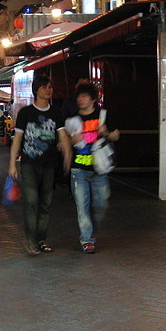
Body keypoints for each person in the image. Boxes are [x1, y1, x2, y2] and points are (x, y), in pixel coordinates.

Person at [8, 75, 71, 256]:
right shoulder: (26, 113)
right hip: (28, 164)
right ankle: (30, 242)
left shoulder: (56, 113)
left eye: (50, 87)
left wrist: (67, 154)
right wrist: (12, 164)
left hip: (49, 164)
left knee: (45, 204)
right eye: (44, 87)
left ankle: (41, 239)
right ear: (36, 90)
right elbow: (17, 139)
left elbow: (63, 136)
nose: (48, 90)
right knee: (31, 202)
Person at [65, 82, 119, 254]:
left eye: (84, 96)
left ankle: (92, 226)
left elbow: (116, 135)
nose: (81, 99)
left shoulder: (103, 115)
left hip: (99, 170)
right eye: (79, 97)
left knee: (101, 204)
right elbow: (64, 141)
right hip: (78, 169)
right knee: (82, 205)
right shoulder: (72, 119)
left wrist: (106, 133)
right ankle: (87, 239)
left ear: (93, 99)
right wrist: (70, 141)